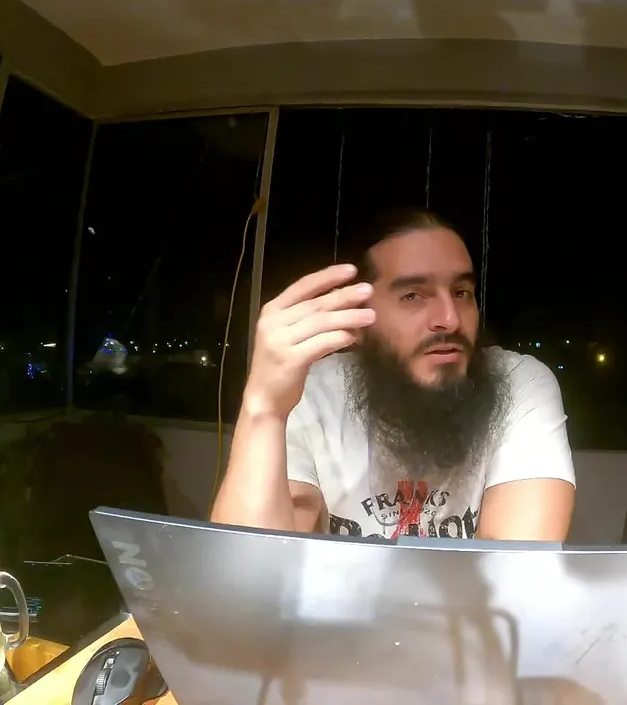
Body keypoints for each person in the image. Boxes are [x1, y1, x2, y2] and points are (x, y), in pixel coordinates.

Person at [211, 207, 576, 541]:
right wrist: (264, 408)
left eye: (462, 292)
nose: (450, 319)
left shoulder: (519, 384)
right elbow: (252, 569)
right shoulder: (310, 389)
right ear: (359, 316)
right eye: (413, 296)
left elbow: (514, 575)